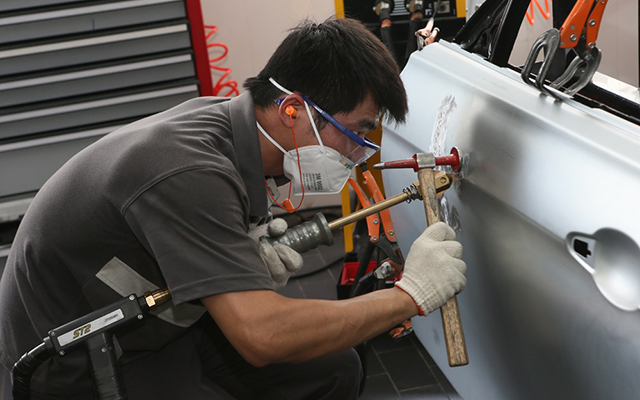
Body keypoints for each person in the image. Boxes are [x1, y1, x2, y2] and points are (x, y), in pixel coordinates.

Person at [0, 17, 466, 400]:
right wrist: (408, 295)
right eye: (356, 133)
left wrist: (238, 254)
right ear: (292, 110)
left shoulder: (226, 126)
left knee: (333, 370)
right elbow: (262, 336)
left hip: (154, 322)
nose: (358, 153)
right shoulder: (188, 170)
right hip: (79, 358)